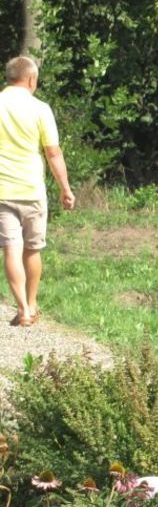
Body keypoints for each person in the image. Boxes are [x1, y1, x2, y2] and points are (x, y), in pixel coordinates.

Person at [0, 56, 74, 328]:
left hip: (2, 191)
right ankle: (31, 303)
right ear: (31, 79)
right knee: (32, 250)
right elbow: (52, 152)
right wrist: (65, 188)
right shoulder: (40, 108)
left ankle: (22, 309)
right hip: (32, 189)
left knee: (10, 248)